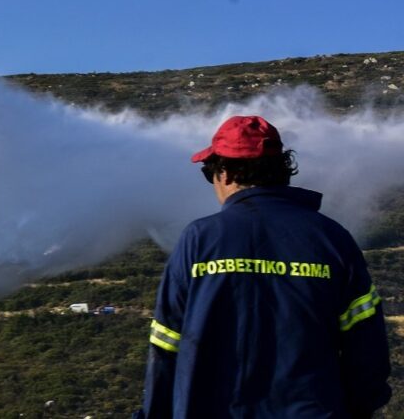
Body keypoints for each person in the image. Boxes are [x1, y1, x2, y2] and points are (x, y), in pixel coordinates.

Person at [134, 115, 391, 418]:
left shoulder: (199, 240)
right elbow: (366, 345)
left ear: (225, 173)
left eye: (209, 173)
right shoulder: (332, 239)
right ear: (282, 171)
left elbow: (166, 343)